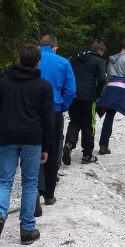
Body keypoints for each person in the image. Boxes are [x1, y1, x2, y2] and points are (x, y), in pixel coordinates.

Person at [0, 44, 54, 247]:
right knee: (30, 183)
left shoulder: (3, 83)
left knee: (4, 182)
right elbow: (48, 120)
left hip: (6, 137)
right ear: (38, 62)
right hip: (33, 138)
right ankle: (27, 230)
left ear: (18, 59)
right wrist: (47, 147)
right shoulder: (43, 86)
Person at [37, 34, 76, 206]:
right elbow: (71, 90)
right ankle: (49, 195)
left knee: (34, 151)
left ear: (40, 46)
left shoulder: (32, 60)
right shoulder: (63, 62)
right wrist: (63, 106)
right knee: (52, 151)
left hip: (33, 113)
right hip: (54, 111)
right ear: (55, 47)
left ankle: (35, 190)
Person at [62, 40, 107, 165]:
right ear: (100, 51)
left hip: (73, 95)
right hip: (88, 96)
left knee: (74, 121)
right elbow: (103, 78)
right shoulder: (99, 60)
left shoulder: (76, 58)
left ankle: (69, 144)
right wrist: (97, 93)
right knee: (88, 124)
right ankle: (87, 155)